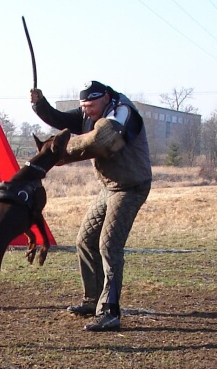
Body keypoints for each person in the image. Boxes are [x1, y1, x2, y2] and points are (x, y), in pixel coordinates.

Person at [30, 81, 152, 332]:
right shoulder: (89, 112)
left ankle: (110, 311)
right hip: (109, 187)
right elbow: (59, 118)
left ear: (106, 98)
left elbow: (101, 138)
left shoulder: (122, 112)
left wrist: (59, 150)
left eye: (92, 106)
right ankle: (92, 299)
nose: (87, 111)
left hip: (131, 187)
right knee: (85, 240)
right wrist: (39, 105)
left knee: (109, 245)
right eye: (83, 106)